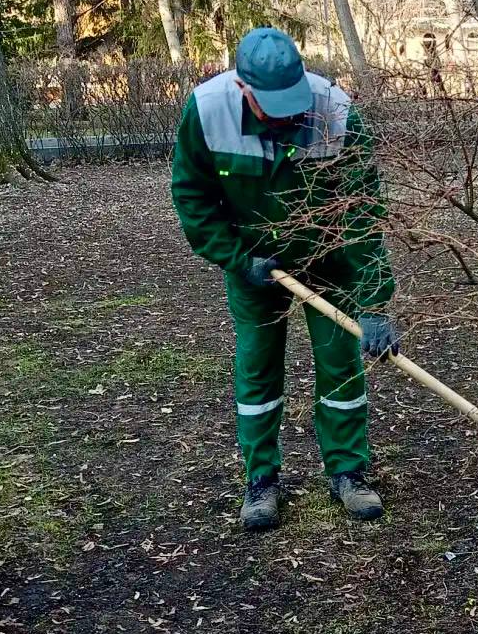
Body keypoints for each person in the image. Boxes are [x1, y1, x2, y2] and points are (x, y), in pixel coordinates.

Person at [171, 27, 398, 530]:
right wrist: (237, 258)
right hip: (254, 263)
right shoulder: (208, 111)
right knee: (258, 367)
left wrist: (375, 301)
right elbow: (192, 197)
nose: (287, 114)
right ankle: (262, 481)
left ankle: (348, 473)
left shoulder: (335, 113)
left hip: (330, 257)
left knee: (342, 365)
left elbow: (362, 212)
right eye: (271, 103)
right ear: (243, 88)